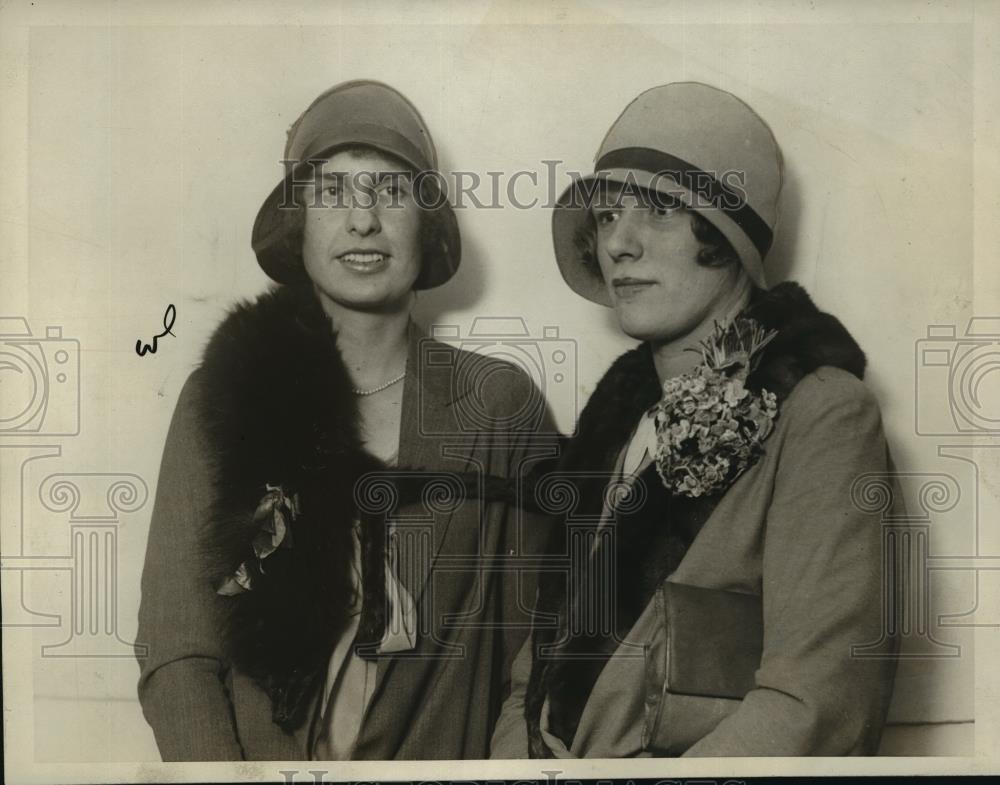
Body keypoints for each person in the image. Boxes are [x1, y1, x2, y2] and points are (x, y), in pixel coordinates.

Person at [136, 80, 554, 761]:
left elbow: (534, 655)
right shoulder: (225, 396)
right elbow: (178, 650)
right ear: (298, 222)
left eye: (391, 191)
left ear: (429, 222)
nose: (363, 221)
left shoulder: (499, 403)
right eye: (333, 191)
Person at [490, 82, 900, 758]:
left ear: (725, 232)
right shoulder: (613, 425)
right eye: (607, 213)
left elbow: (816, 705)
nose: (617, 243)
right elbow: (530, 678)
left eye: (655, 209)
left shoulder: (822, 412)